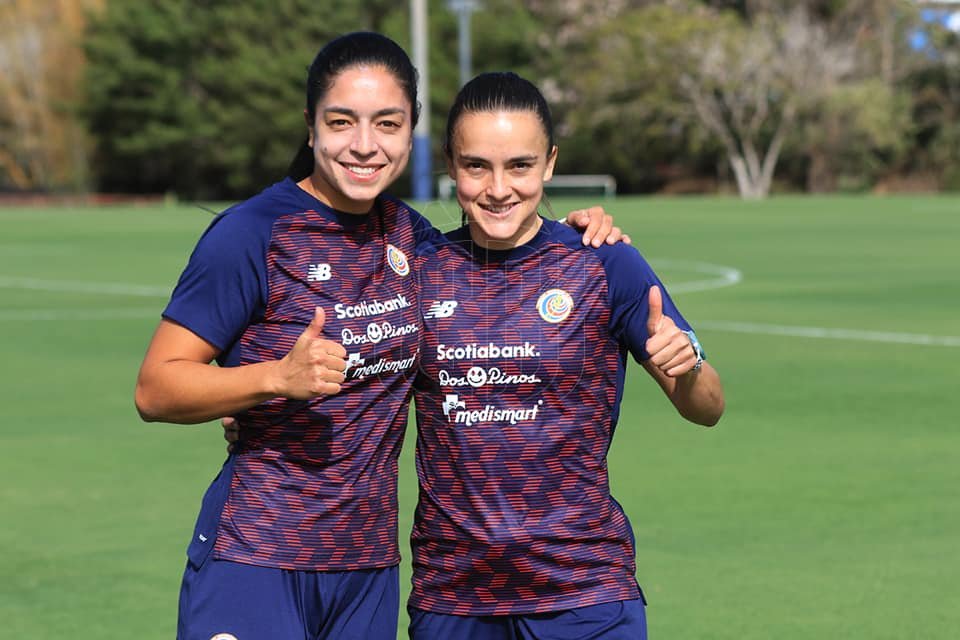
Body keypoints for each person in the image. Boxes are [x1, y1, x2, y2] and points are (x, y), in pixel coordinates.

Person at [136, 32, 623, 640]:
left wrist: (580, 229)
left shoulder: (411, 237)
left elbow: (508, 240)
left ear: (412, 131)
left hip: (367, 573)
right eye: (342, 122)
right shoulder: (252, 232)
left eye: (387, 124)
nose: (364, 145)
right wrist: (272, 380)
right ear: (311, 128)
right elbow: (155, 388)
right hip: (256, 554)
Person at [407, 72, 725, 639]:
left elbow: (707, 406)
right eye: (477, 165)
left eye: (520, 166)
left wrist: (689, 366)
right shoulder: (420, 271)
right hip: (453, 596)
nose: (498, 188)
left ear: (550, 164)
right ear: (451, 167)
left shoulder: (605, 263)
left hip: (585, 593)